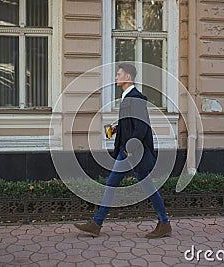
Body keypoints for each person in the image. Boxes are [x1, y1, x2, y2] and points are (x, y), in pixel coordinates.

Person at [73, 63, 171, 239]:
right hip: (125, 151)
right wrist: (118, 127)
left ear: (128, 77)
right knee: (112, 184)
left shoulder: (136, 98)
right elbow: (132, 122)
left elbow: (141, 126)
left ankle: (164, 223)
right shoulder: (127, 97)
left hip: (131, 152)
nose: (116, 77)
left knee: (146, 187)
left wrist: (131, 148)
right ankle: (97, 223)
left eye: (119, 74)